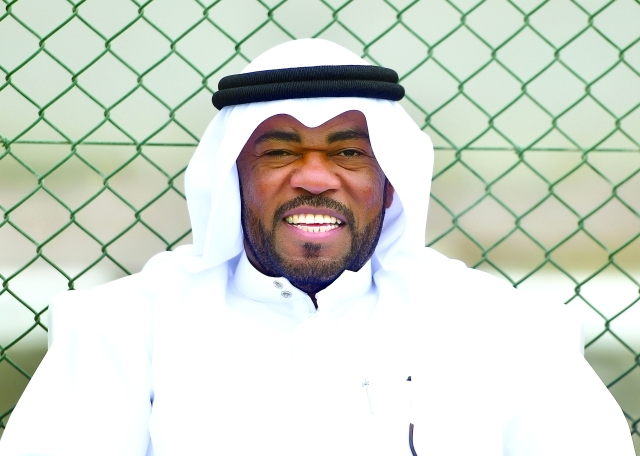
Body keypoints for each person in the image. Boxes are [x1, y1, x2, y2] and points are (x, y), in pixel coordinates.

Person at [0, 39, 634, 456]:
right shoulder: (124, 327)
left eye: (348, 152)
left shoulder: (503, 329)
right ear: (233, 179)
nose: (313, 177)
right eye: (279, 152)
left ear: (389, 184)